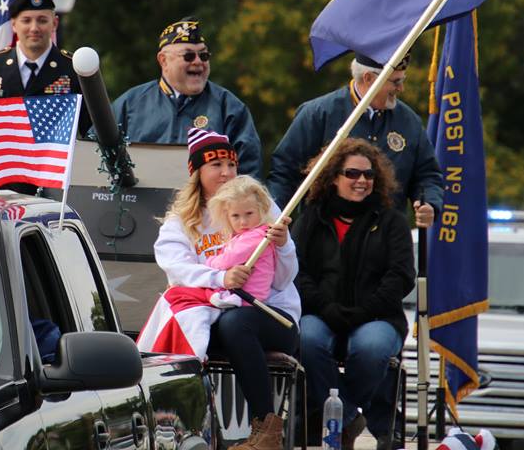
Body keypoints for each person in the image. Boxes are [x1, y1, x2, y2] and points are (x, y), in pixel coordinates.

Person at [154, 129, 300, 450]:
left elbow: (284, 279)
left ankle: (266, 430)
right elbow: (175, 269)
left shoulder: (258, 206)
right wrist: (221, 279)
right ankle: (191, 430)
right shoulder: (180, 222)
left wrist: (285, 246)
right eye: (216, 165)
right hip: (213, 315)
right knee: (193, 330)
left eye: (230, 164)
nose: (226, 172)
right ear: (197, 172)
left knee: (236, 324)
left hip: (272, 315)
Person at [292, 139, 415, 450]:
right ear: (333, 177)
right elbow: (295, 272)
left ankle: (338, 415)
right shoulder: (311, 218)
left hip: (377, 317)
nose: (362, 181)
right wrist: (324, 307)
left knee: (371, 348)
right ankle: (349, 419)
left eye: (369, 175)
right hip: (320, 313)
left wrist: (366, 311)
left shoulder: (392, 222)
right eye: (352, 174)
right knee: (305, 340)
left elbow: (401, 277)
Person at [268, 52, 443, 224]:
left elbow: (427, 174)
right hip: (327, 239)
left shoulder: (409, 121)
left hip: (387, 240)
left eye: (402, 80)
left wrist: (430, 203)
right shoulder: (318, 114)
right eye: (396, 82)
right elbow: (284, 172)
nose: (401, 88)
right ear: (368, 78)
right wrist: (272, 220)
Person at [111, 17, 263, 178]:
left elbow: (248, 175)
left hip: (209, 203)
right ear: (164, 61)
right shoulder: (131, 104)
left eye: (204, 56)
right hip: (139, 202)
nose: (198, 62)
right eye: (188, 56)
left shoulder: (229, 107)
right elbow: (97, 155)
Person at [0, 0, 88, 133]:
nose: (34, 28)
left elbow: (91, 132)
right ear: (14, 25)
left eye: (42, 20)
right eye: (26, 20)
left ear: (55, 23)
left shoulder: (73, 68)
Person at [205, 175, 277, 303]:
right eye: (235, 216)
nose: (243, 222)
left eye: (249, 213)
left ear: (261, 210)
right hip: (243, 294)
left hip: (246, 297)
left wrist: (210, 262)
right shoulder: (244, 236)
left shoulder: (257, 235)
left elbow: (229, 259)